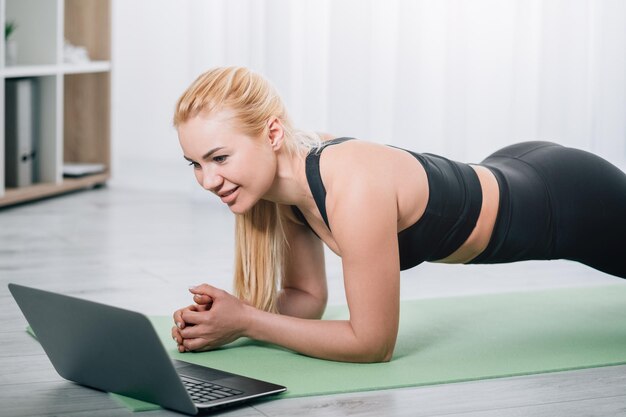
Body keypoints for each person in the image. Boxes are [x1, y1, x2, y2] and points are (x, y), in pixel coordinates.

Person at [171, 66, 626, 363]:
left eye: (219, 158)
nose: (208, 180)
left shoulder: (351, 185)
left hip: (564, 200)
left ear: (272, 133)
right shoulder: (284, 191)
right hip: (515, 169)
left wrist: (249, 320)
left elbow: (372, 343)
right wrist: (223, 322)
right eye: (196, 164)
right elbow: (306, 297)